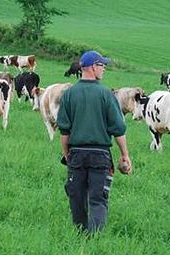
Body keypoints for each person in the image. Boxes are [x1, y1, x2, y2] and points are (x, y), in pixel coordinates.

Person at [56, 50, 132, 234]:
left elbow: (64, 132)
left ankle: (81, 235)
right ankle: (94, 239)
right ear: (91, 67)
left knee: (77, 198)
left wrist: (67, 156)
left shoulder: (69, 94)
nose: (104, 69)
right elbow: (118, 129)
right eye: (101, 65)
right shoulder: (106, 94)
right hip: (100, 155)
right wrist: (125, 155)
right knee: (98, 199)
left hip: (77, 154)